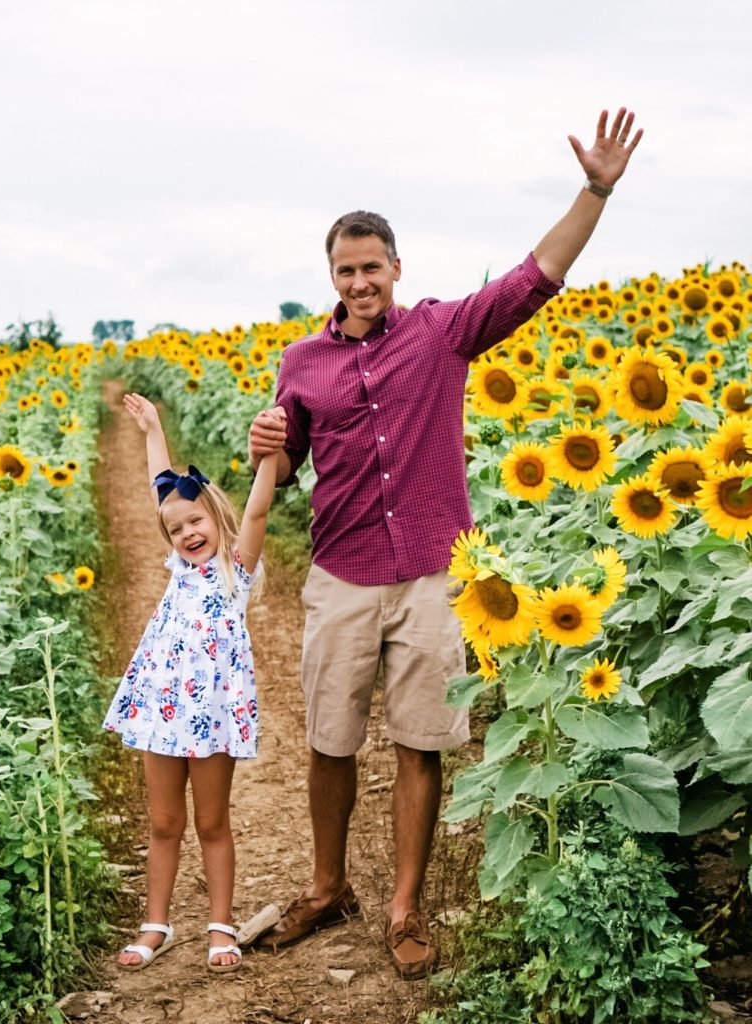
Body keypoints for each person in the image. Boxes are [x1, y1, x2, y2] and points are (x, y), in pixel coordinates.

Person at [247, 109, 643, 979]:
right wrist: (264, 445)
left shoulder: (440, 333)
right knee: (329, 738)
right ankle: (325, 887)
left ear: (396, 268)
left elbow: (534, 276)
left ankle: (404, 906)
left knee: (420, 740)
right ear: (331, 275)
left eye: (371, 267)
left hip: (431, 572)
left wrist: (595, 190)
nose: (359, 282)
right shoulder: (299, 361)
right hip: (341, 572)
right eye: (344, 270)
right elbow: (289, 458)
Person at [103, 392, 281, 974]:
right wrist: (153, 428)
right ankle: (156, 923)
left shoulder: (237, 570)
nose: (186, 533)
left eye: (196, 520)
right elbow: (164, 486)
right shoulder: (179, 566)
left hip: (212, 712)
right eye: (176, 529)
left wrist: (270, 463)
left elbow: (254, 513)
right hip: (161, 706)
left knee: (211, 821)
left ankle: (220, 927)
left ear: (215, 516)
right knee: (162, 822)